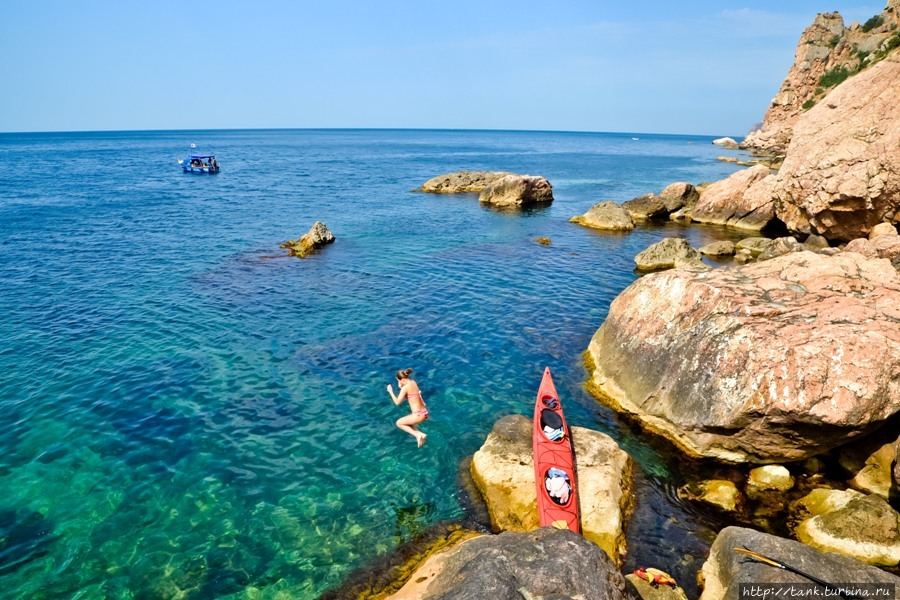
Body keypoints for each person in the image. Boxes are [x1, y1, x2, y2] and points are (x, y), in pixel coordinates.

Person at [386, 368, 428, 447]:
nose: (398, 383)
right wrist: (401, 387)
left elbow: (397, 402)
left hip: (417, 415)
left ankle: (417, 435)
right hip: (424, 413)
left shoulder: (405, 388)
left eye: (398, 381)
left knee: (399, 423)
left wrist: (390, 391)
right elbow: (410, 393)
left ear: (402, 379)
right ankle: (421, 434)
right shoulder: (413, 382)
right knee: (407, 423)